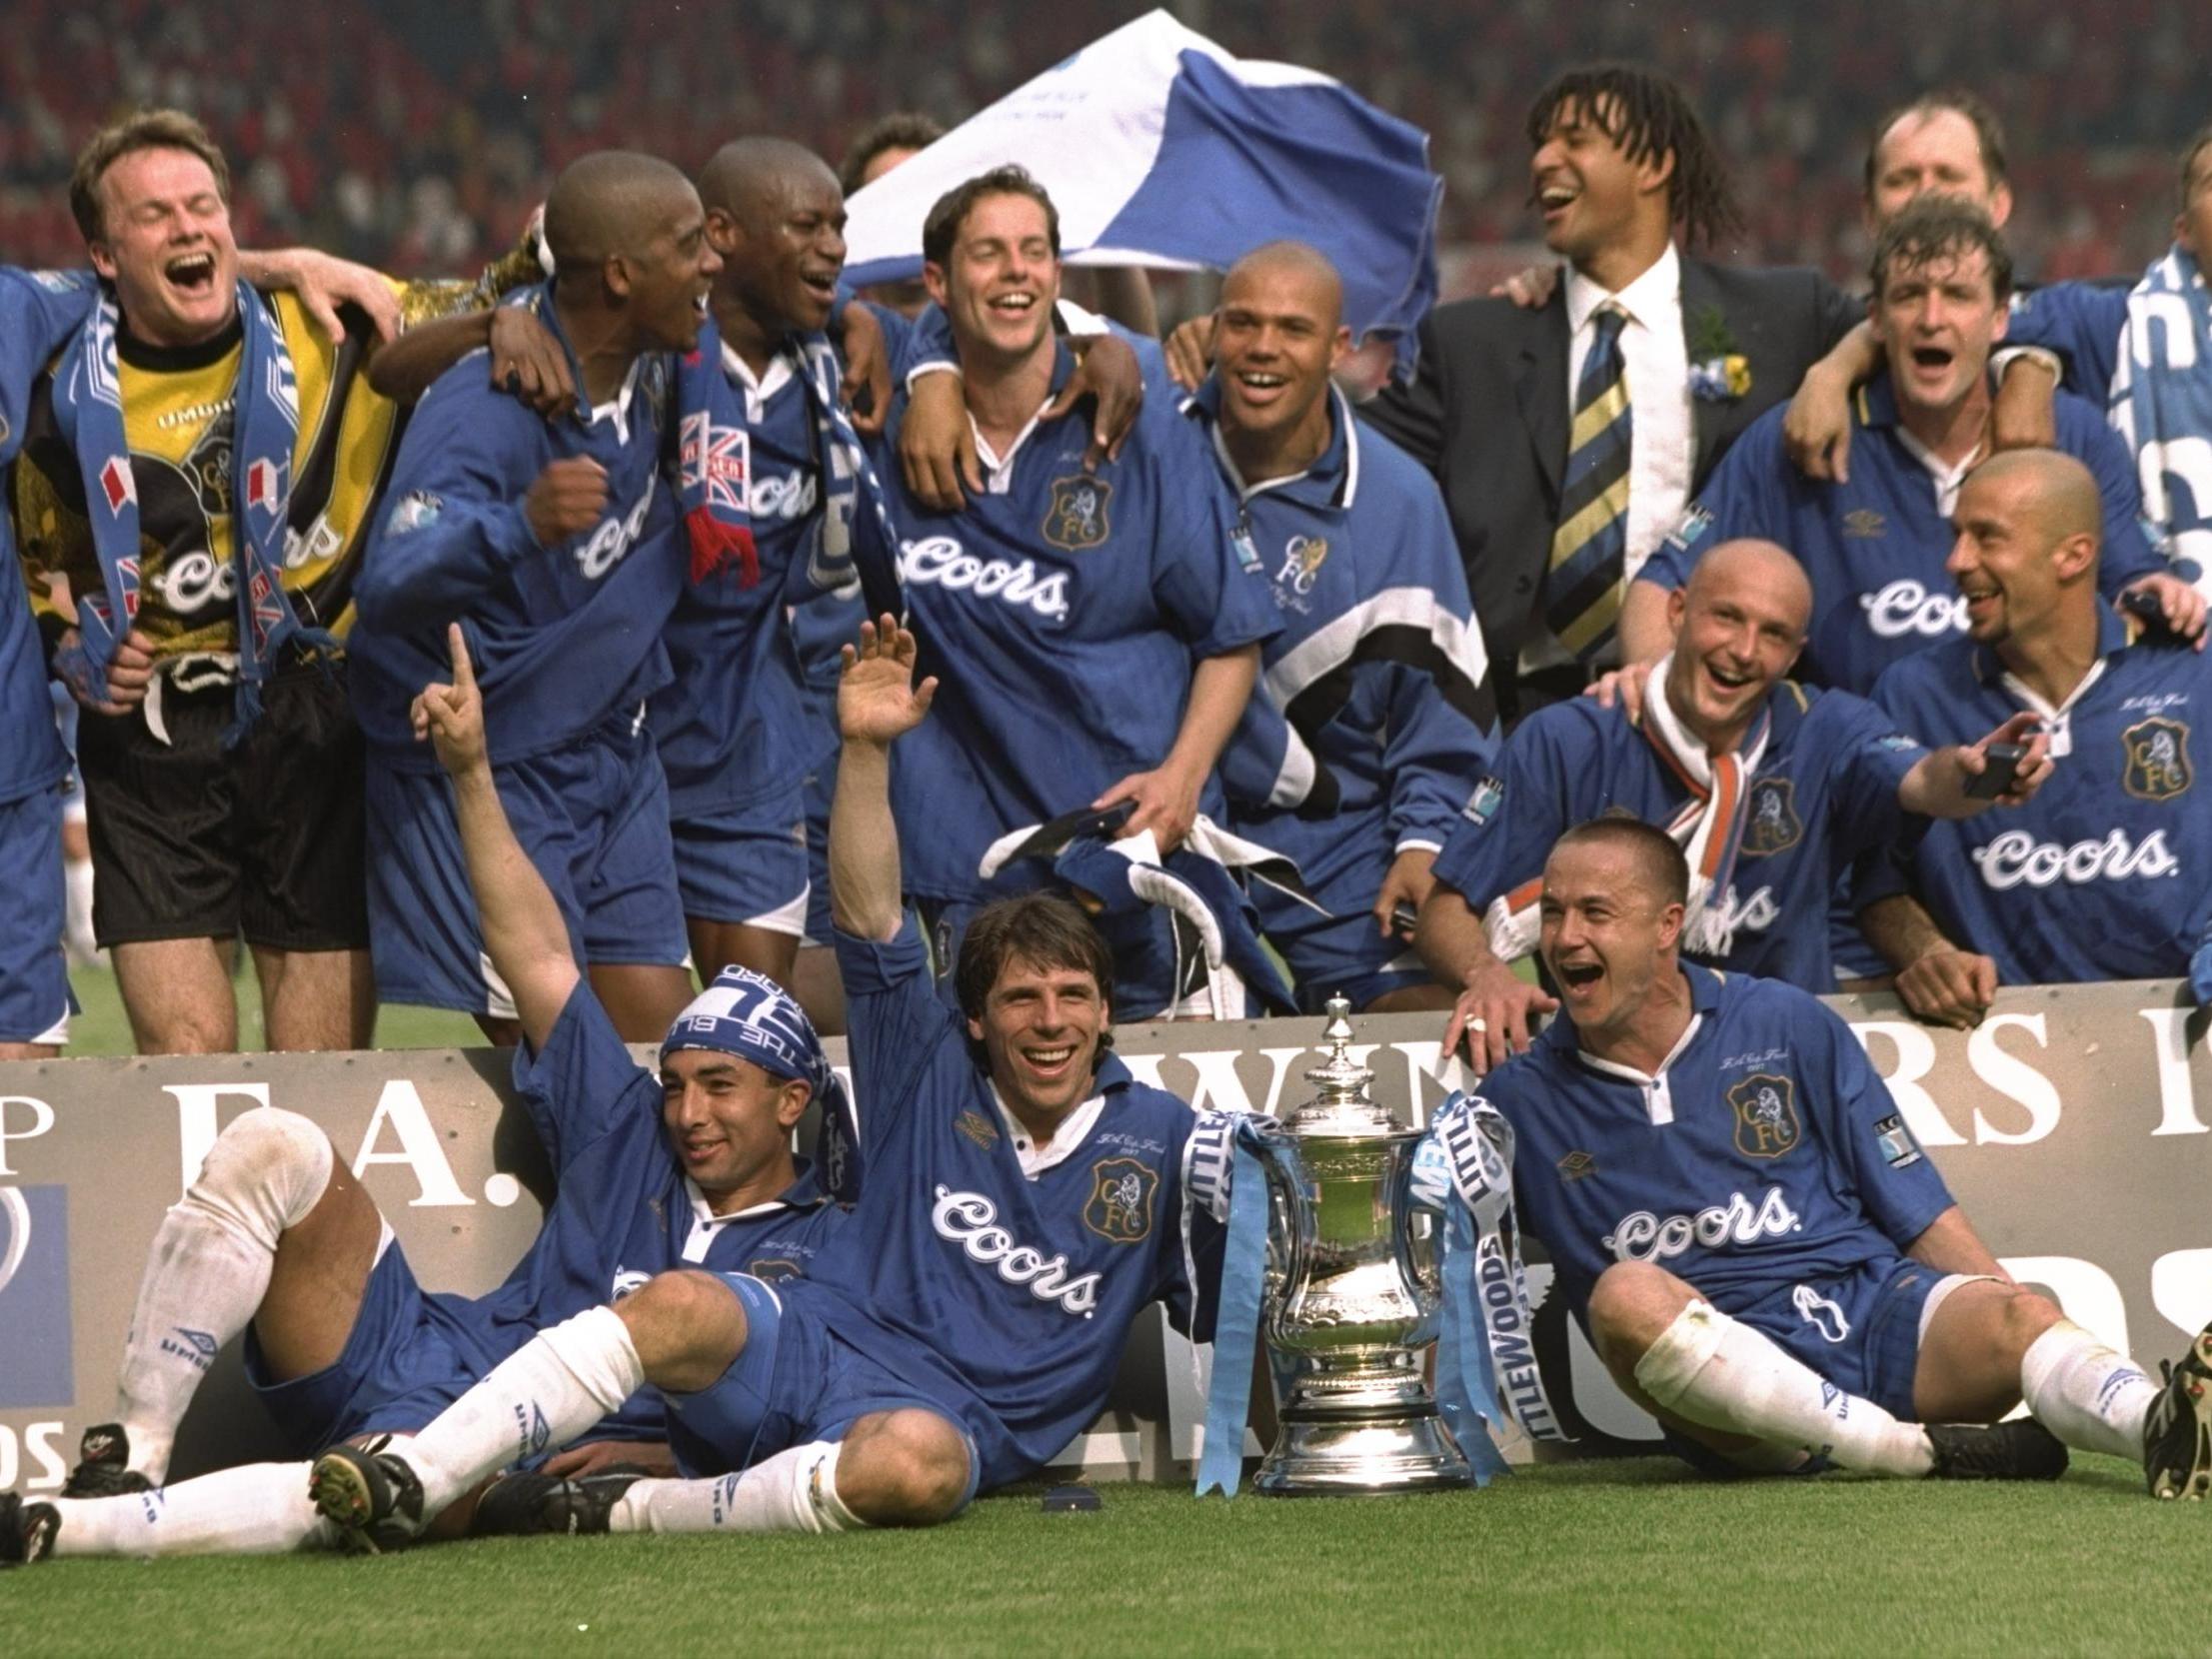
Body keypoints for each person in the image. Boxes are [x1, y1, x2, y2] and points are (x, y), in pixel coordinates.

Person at [296, 616, 1225, 1544]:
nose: (1051, 1021)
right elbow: (865, 917)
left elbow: (1246, 1291)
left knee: (913, 1465)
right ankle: (388, 1466)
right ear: (974, 1019)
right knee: (670, 1297)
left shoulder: (1163, 1140)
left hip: (924, 1427)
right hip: (808, 1354)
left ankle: (607, 1512)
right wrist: (861, 752)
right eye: (1022, 999)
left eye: (1073, 997)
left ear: (1108, 1012)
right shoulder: (917, 1074)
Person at [0, 623, 848, 1564]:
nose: (687, 1113)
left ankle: (66, 1532)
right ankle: (132, 1453)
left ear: (791, 1100)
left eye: (720, 1088)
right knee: (271, 1144)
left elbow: (795, 1409)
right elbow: (535, 952)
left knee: (386, 1478)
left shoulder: (830, 1239)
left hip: (517, 1449)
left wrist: (659, 1450)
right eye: (679, 1083)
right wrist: (470, 773)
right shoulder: (624, 1119)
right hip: (426, 1347)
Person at [1469, 816, 2212, 1496]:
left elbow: (1910, 1199)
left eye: (1595, 913)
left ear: (1667, 926)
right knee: (1624, 1295)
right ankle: (1905, 1452)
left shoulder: (1782, 1019)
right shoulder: (1515, 1097)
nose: (1564, 938)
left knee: (2023, 1311)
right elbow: (1454, 1257)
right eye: (1554, 911)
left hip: (1869, 1313)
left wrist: (2008, 1322)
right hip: (1728, 1392)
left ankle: (2164, 1429)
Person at [1168, 63, 1860, 725]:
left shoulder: (1782, 316)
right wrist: (1248, 351)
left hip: (1712, 707)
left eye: (1575, 140)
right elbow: (1332, 449)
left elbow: (1920, 326)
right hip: (1514, 715)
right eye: (1540, 143)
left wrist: (1835, 368)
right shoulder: (1474, 344)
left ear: (1653, 165)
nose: (1542, 161)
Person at [8, 109, 486, 1055]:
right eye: (154, 216)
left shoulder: (337, 325)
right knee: (187, 1073)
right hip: (148, 738)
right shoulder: (55, 388)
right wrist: (74, 646)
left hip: (314, 714)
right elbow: (38, 562)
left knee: (320, 1075)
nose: (189, 227)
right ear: (104, 254)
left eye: (204, 206)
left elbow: (503, 305)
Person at [860, 166, 1277, 1018]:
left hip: (1129, 849)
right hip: (967, 863)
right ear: (936, 282)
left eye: (1034, 252)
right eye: (987, 254)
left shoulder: (1142, 421)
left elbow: (1230, 636)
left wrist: (1180, 778)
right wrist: (929, 371)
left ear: (1057, 275)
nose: (1015, 271)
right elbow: (811, 303)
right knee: (980, 1130)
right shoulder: (891, 420)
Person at [1414, 538, 2050, 1074]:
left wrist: (1974, 777)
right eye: (1726, 618)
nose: (1744, 651)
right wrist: (1486, 974)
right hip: (1605, 1074)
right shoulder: (1570, 739)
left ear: (1795, 654)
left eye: (1773, 634)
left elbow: (1920, 780)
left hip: (1778, 1063)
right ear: (1678, 611)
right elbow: (1447, 905)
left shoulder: (1825, 730)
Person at [345, 150, 720, 1044]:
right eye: (689, 244)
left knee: (669, 1049)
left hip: (608, 742)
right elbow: (389, 575)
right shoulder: (489, 408)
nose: (711, 263)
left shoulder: (655, 365)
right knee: (560, 1058)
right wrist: (519, 525)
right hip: (493, 766)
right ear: (621, 275)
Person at [1628, 199, 2200, 691]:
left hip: (2031, 776)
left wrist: (2161, 593)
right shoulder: (1799, 436)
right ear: (1875, 318)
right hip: (1860, 780)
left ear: (2002, 317)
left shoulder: (2072, 434)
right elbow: (1662, 584)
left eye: (1957, 295)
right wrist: (1660, 709)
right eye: (1909, 296)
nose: (1932, 318)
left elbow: (2136, 585)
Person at [1188, 242, 1493, 1012]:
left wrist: (1423, 841)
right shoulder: (1155, 450)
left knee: (1427, 1030)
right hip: (1173, 821)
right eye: (1243, 323)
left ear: (1340, 348)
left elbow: (1443, 712)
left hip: (1338, 835)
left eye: (1292, 329)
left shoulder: (1397, 502)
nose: (1262, 348)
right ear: (1210, 331)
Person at [1858, 450, 2212, 1025]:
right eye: (1955, 536)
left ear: (2073, 555)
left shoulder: (2193, 668)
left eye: (1987, 538)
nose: (1955, 561)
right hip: (2004, 1051)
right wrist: (1925, 951)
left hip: (2190, 1038)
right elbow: (1874, 883)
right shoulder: (1913, 694)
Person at [650, 137, 860, 1001]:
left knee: (752, 1026)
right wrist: (506, 318)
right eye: (807, 225)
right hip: (622, 744)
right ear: (724, 235)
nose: (836, 247)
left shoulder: (826, 366)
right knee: (615, 1037)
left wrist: (1095, 334)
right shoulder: (644, 358)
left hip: (749, 745)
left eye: (838, 225)